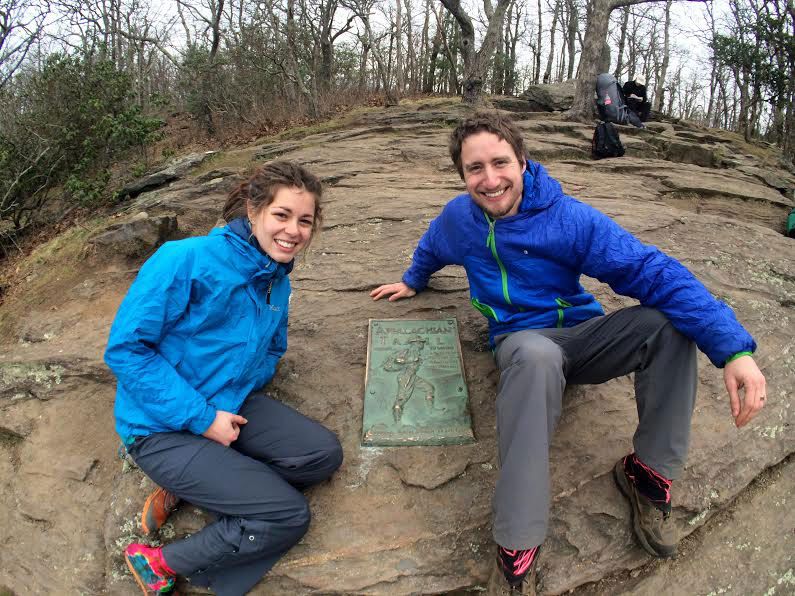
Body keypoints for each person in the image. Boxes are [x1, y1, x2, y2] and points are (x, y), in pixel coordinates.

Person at [370, 112, 766, 595]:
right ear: (462, 175)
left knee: (667, 324)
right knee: (536, 356)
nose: (490, 180)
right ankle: (518, 545)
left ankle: (646, 473)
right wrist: (413, 280)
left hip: (584, 337)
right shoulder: (460, 219)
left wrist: (733, 350)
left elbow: (652, 270)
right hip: (522, 344)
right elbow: (433, 245)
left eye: (500, 163)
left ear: (523, 161)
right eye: (475, 168)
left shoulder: (567, 218)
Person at [105, 161, 343, 596]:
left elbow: (272, 349)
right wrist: (202, 418)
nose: (293, 231)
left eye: (305, 221)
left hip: (227, 404)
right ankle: (158, 561)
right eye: (282, 215)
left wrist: (228, 399)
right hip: (160, 428)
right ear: (253, 210)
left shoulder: (277, 280)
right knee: (287, 514)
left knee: (321, 456)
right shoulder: (185, 259)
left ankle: (211, 485)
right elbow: (126, 350)